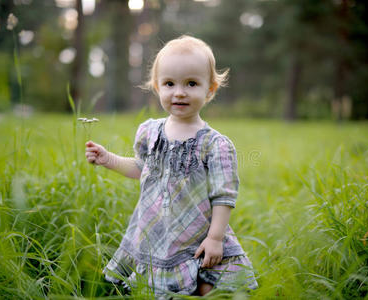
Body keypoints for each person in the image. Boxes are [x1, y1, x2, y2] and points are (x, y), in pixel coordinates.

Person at [85, 35, 258, 297]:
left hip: (199, 233)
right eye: (169, 83)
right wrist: (107, 159)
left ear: (209, 89)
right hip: (157, 232)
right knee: (162, 290)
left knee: (209, 286)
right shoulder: (149, 132)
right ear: (157, 87)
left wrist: (215, 238)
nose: (179, 92)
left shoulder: (215, 144)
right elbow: (141, 169)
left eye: (191, 83)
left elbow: (224, 195)